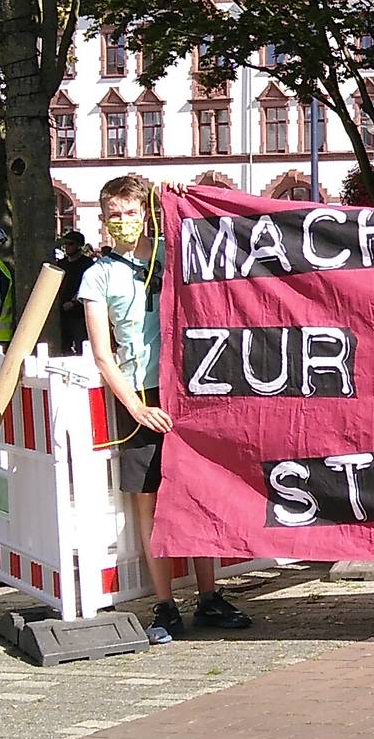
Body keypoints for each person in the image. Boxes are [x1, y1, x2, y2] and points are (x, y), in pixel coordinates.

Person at [82, 175, 249, 641]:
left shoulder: (170, 252)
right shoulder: (98, 275)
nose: (123, 223)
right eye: (114, 215)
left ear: (144, 214)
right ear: (104, 219)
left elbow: (212, 237)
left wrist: (176, 193)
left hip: (191, 388)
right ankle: (164, 604)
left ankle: (209, 596)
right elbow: (103, 353)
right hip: (143, 395)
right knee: (149, 502)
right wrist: (134, 407)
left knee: (199, 492)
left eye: (131, 213)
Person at [49, 230, 93, 355]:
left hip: (80, 313)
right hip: (61, 313)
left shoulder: (87, 265)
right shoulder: (61, 264)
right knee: (64, 346)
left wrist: (74, 303)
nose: (66, 247)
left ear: (79, 246)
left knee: (82, 346)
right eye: (65, 244)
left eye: (70, 244)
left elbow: (88, 287)